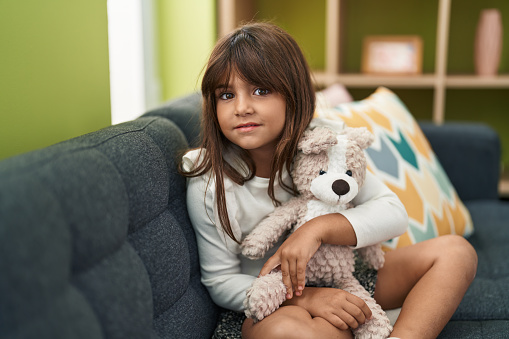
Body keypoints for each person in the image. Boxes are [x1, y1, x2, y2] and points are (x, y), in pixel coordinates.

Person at [180, 22, 477, 339]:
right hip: (273, 302)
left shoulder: (323, 143)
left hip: (346, 275)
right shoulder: (208, 179)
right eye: (226, 95)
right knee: (285, 331)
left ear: (293, 96)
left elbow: (393, 212)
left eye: (260, 90)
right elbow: (220, 281)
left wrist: (316, 230)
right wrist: (308, 297)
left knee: (456, 252)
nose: (241, 107)